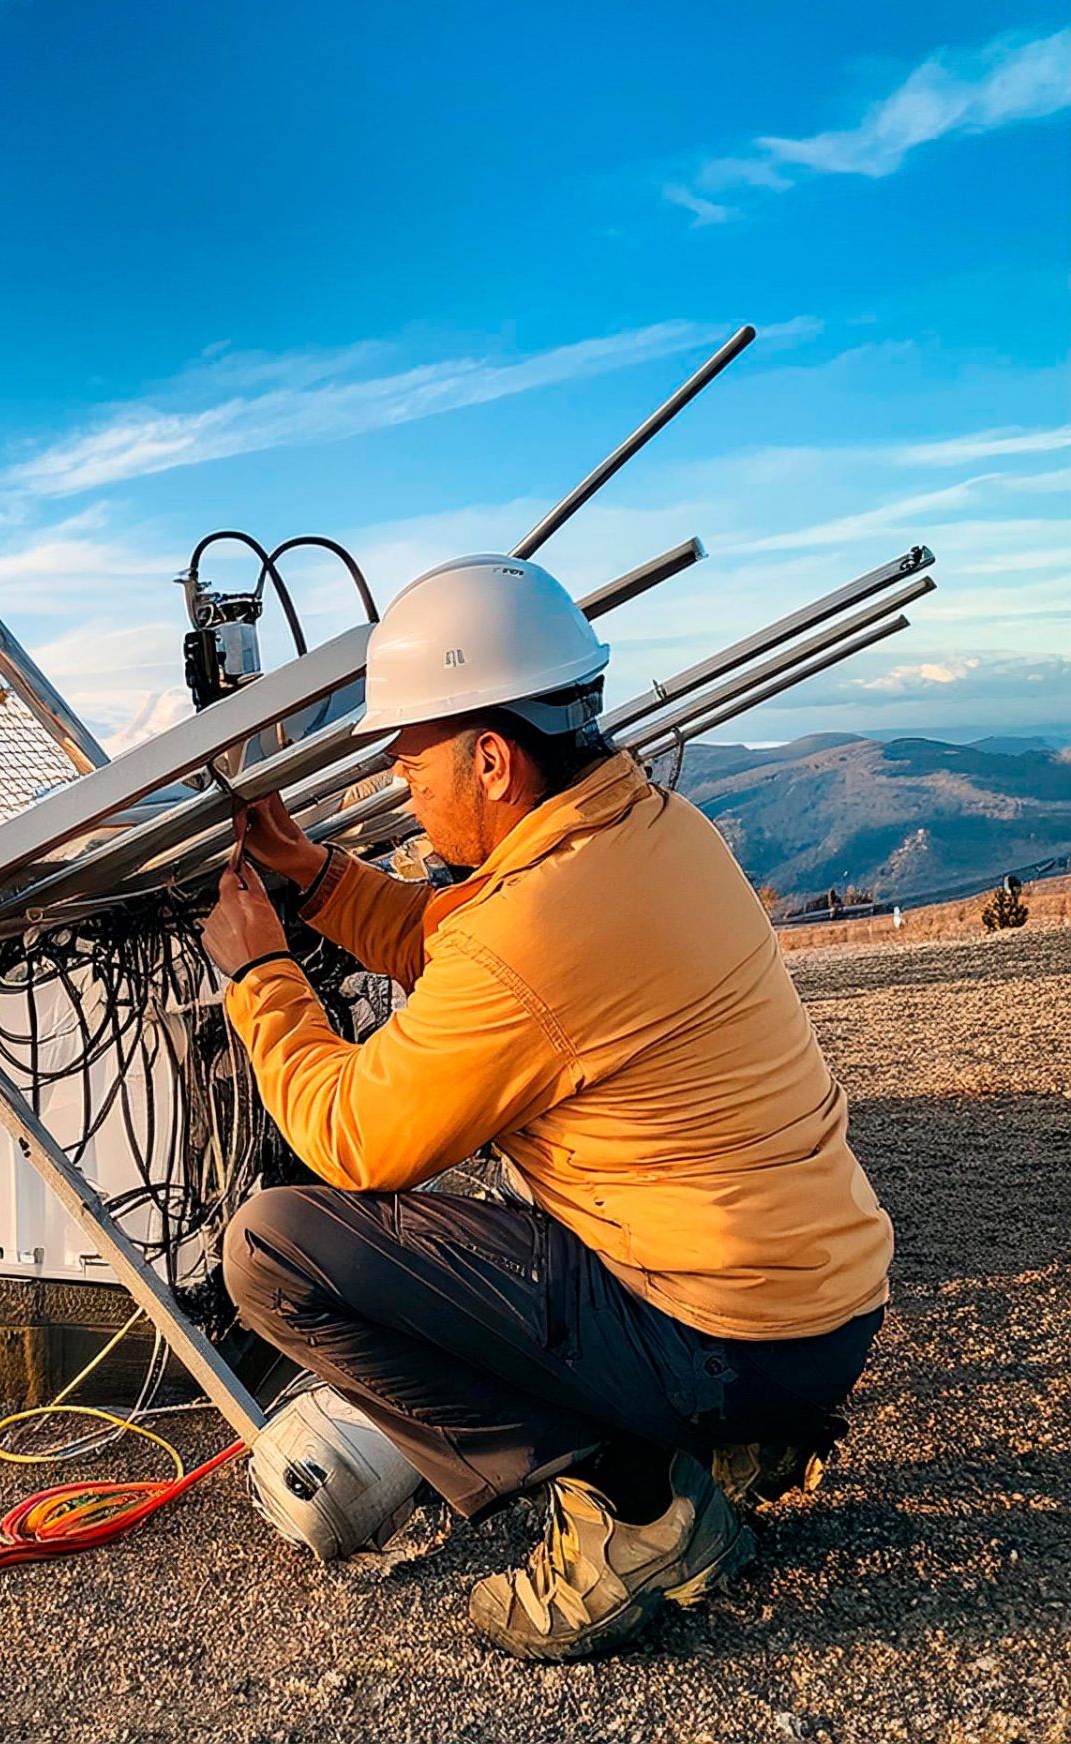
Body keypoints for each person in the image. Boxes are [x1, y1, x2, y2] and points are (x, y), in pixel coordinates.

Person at [201, 554, 892, 1662]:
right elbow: (460, 945)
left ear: (491, 759)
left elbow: (354, 1138)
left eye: (410, 755)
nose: (398, 777)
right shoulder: (650, 833)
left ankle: (641, 1510)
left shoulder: (534, 926)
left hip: (728, 1340)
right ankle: (735, 1443)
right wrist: (315, 877)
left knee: (276, 1254)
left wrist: (257, 976)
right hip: (821, 1312)